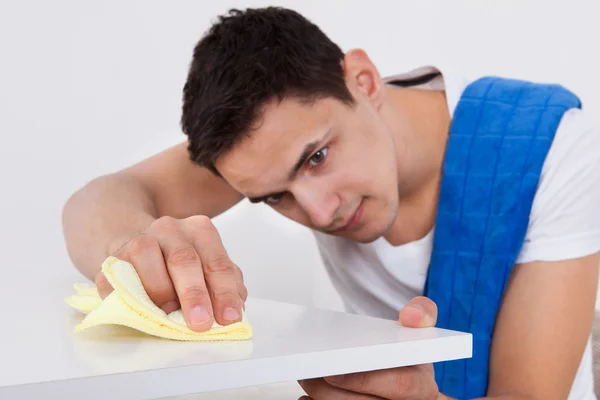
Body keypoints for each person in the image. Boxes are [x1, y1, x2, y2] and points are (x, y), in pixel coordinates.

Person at [61, 6, 600, 400]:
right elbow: (97, 200)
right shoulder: (269, 145)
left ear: (363, 81)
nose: (319, 213)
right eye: (275, 197)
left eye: (316, 157)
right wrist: (133, 249)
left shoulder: (557, 147)